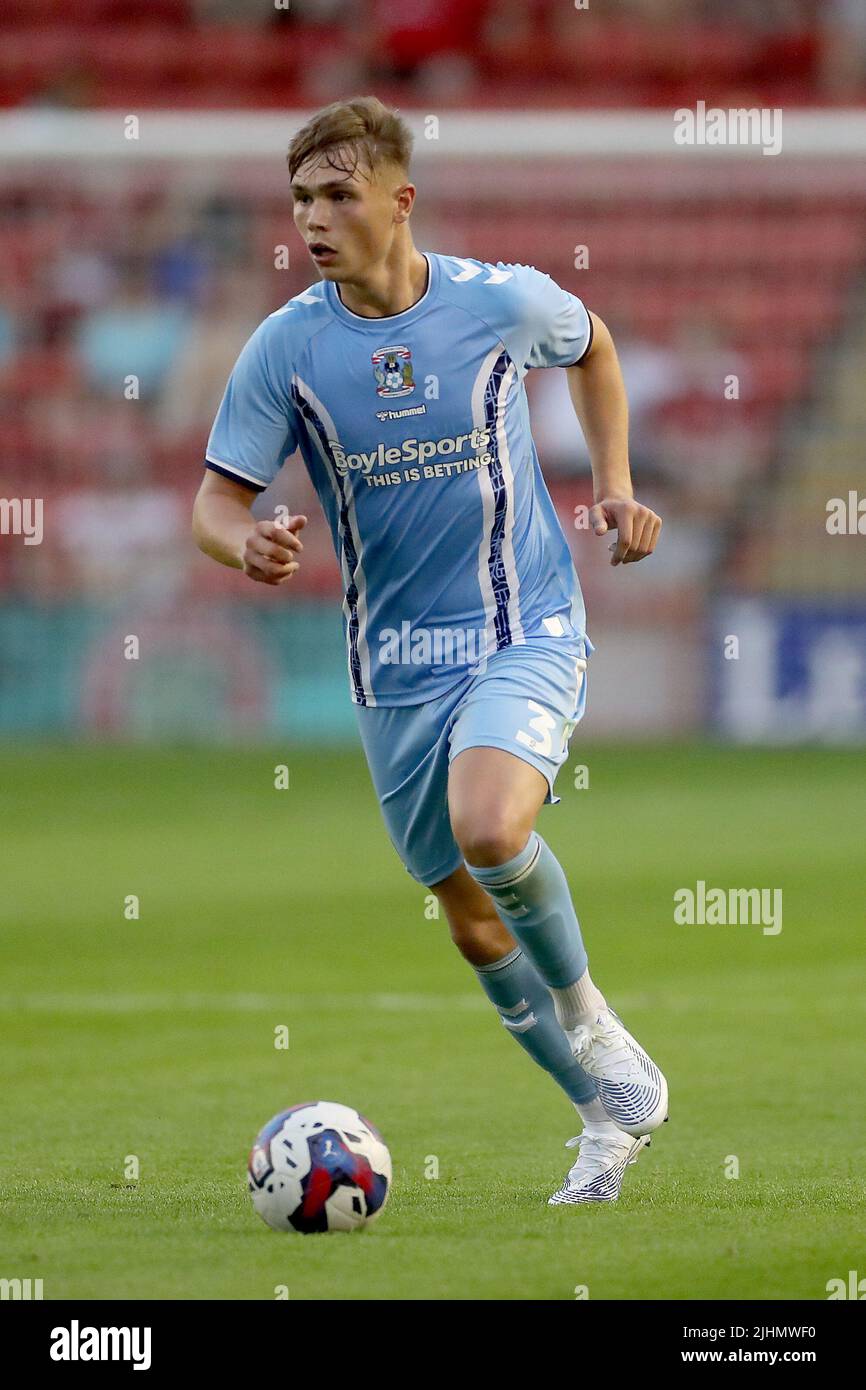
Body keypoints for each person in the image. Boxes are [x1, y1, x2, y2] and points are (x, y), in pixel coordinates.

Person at [192, 96, 667, 1205]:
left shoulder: (497, 301)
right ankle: (600, 1120)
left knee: (490, 825)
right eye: (301, 197)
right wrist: (242, 546)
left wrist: (614, 486)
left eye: (337, 195)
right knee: (464, 916)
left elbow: (592, 347)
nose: (313, 217)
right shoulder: (287, 347)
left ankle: (594, 1023)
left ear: (399, 202)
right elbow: (214, 503)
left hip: (521, 624)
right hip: (392, 665)